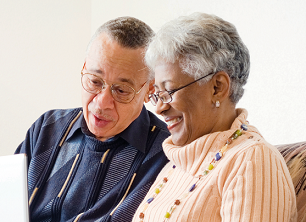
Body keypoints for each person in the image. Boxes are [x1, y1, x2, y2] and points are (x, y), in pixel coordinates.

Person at [132, 12, 297, 222]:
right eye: (157, 93)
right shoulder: (177, 163)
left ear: (218, 87)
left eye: (170, 91)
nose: (160, 108)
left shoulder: (251, 161)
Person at [15, 17, 170, 222]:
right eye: (95, 81)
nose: (101, 103)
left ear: (150, 89)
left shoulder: (166, 153)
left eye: (122, 90)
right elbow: (1, 206)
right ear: (84, 67)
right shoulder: (47, 128)